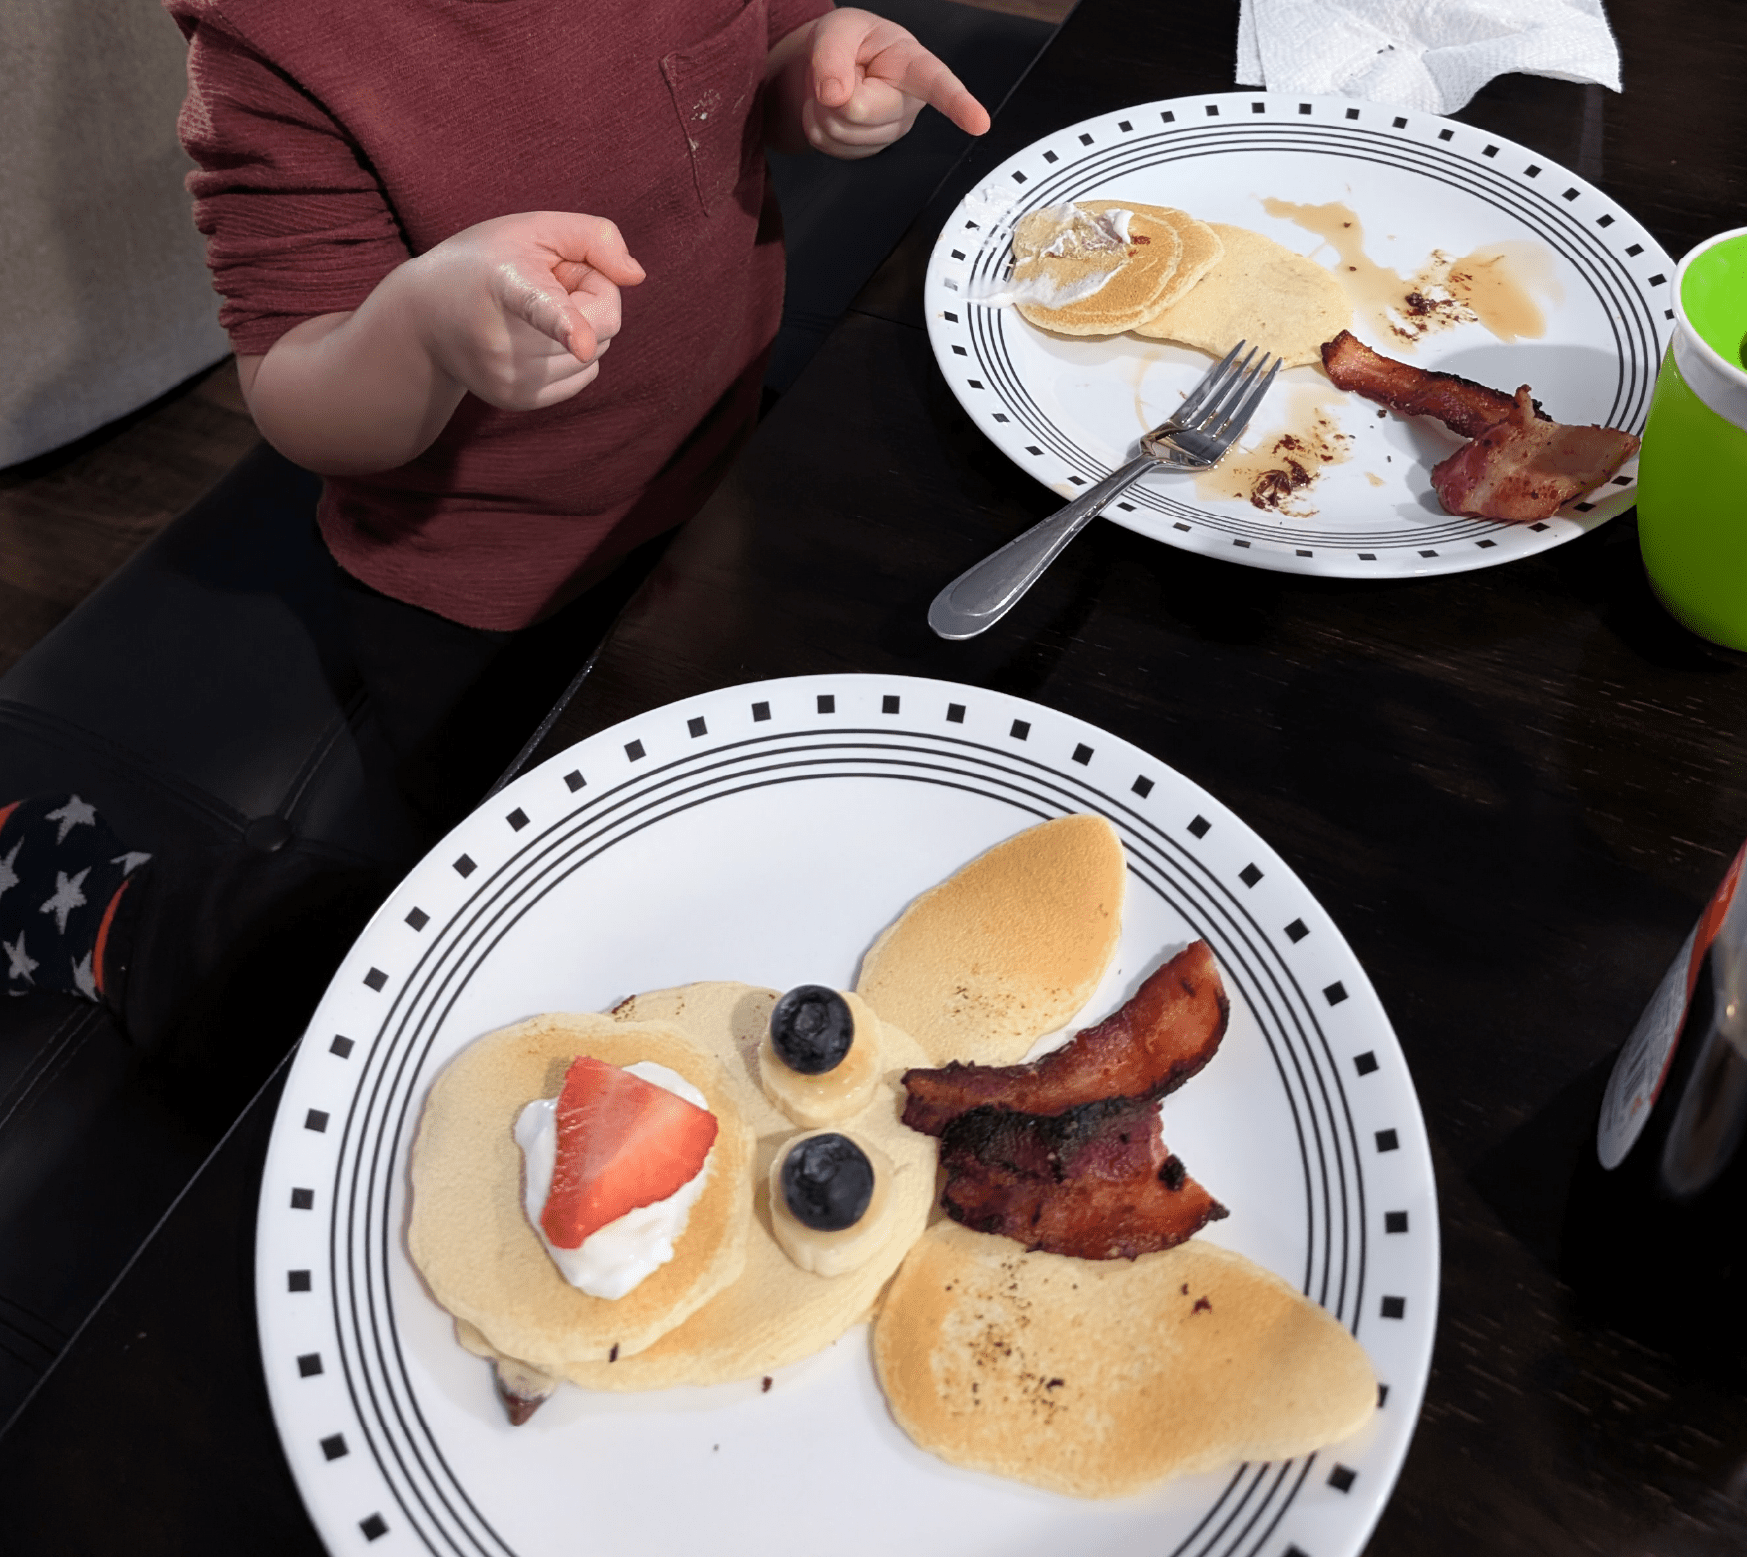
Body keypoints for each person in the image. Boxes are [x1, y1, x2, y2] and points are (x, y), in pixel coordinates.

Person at [164, 0, 990, 819]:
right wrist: (420, 332)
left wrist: (818, 75)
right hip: (486, 590)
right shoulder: (273, 37)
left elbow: (757, 62)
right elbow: (291, 382)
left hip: (720, 459)